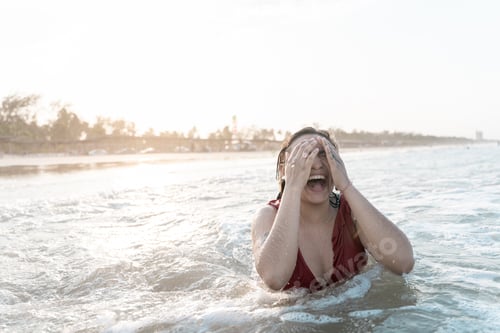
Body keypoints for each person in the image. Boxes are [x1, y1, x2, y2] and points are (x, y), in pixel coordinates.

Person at [251, 127, 414, 292]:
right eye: (304, 155)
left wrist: (346, 185)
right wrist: (292, 186)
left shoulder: (351, 212)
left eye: (324, 154)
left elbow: (404, 262)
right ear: (284, 169)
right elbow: (273, 278)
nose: (316, 164)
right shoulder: (268, 216)